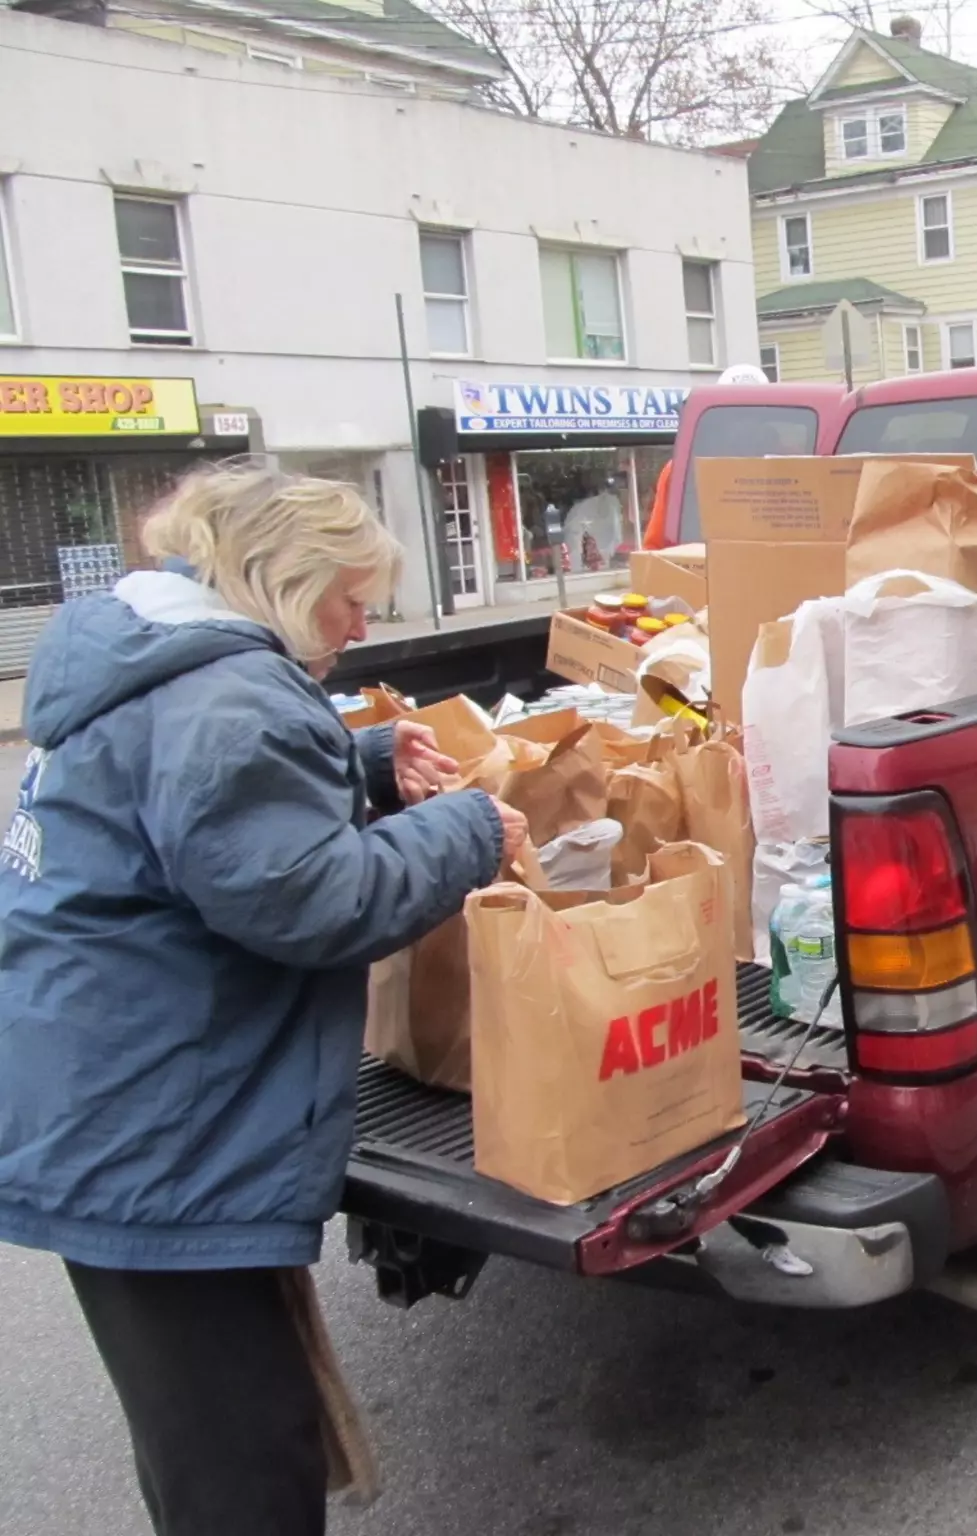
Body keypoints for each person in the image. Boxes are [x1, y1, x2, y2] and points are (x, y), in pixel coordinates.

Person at [0, 464, 528, 1532]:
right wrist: (466, 831)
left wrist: (363, 760)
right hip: (153, 1131)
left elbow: (206, 812)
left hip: (101, 1090)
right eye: (349, 595)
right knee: (241, 1468)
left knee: (206, 1439)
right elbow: (311, 899)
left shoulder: (145, 653)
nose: (363, 618)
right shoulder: (224, 697)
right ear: (282, 583)